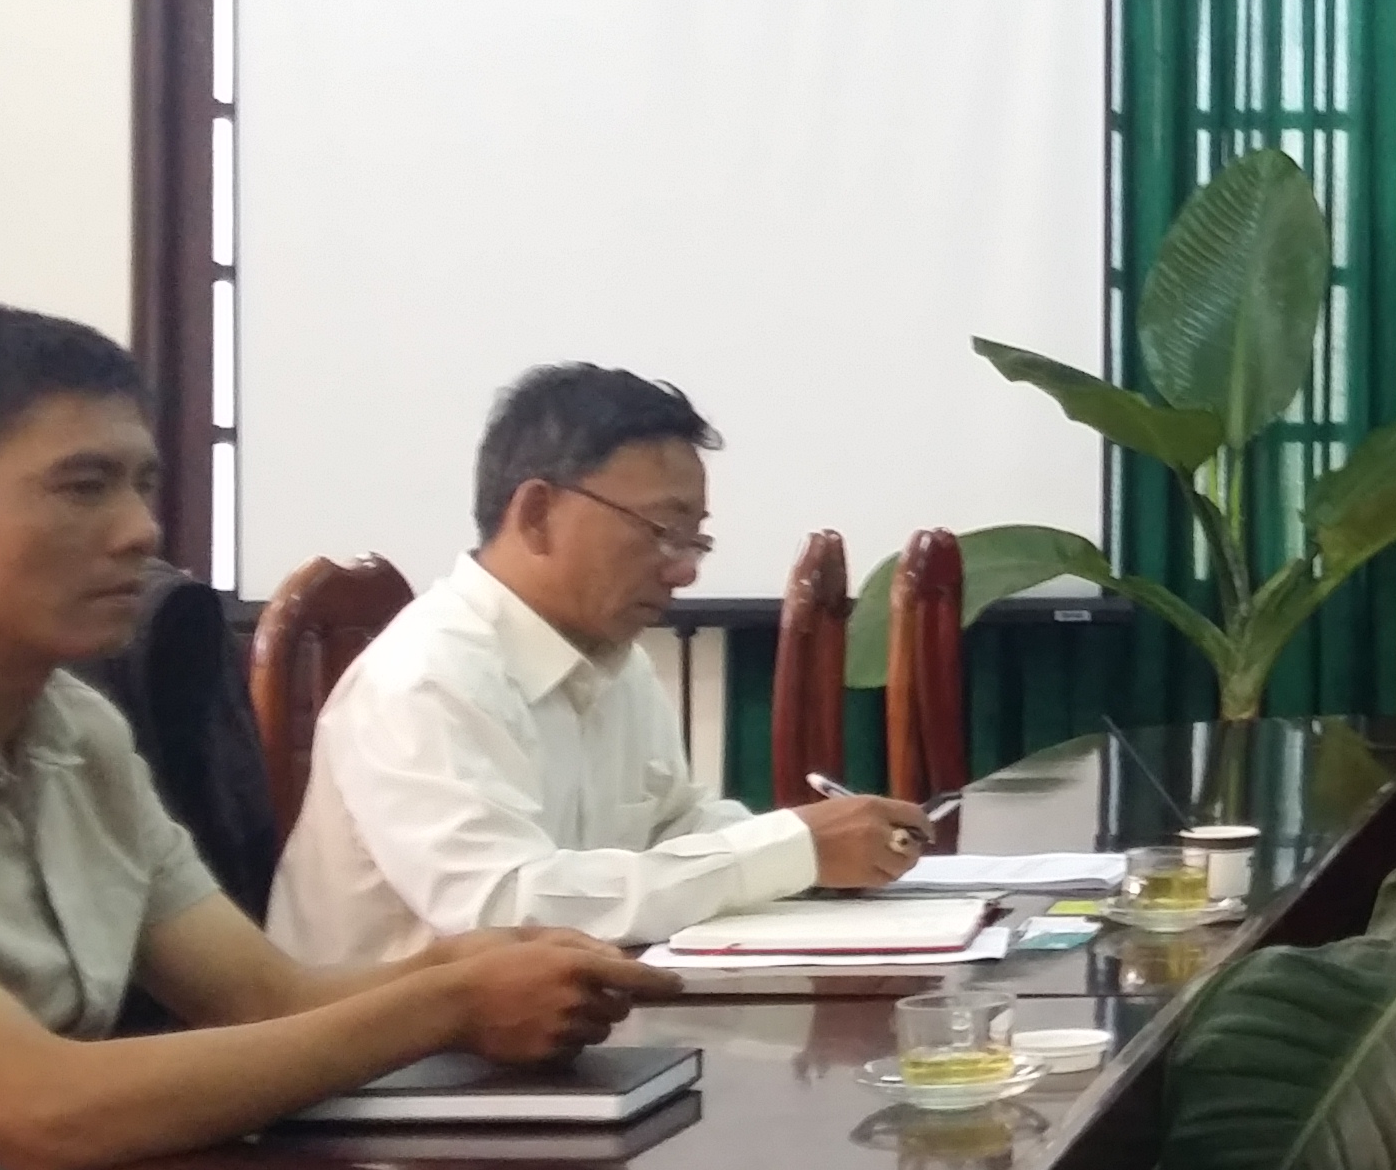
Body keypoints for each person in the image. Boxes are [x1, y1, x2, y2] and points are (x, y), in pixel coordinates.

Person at [0, 306, 668, 1170]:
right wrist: (449, 1004)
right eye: (83, 487)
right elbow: (42, 1112)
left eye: (143, 484)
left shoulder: (77, 729)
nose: (141, 530)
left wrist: (465, 966)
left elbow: (265, 999)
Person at [266, 365, 934, 962]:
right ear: (536, 513)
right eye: (663, 531)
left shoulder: (612, 659)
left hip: (546, 1028)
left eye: (696, 539)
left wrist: (820, 852)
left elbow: (674, 828)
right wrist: (790, 850)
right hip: (401, 1053)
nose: (685, 571)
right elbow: (503, 912)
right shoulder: (425, 678)